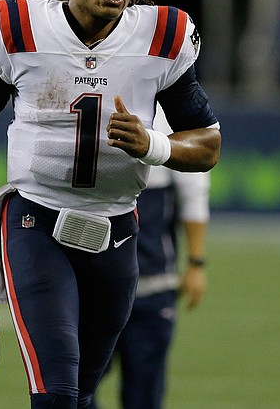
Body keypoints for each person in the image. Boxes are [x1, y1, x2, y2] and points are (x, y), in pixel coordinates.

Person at [0, 0, 221, 409]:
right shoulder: (18, 28)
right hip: (34, 221)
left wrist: (154, 145)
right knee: (57, 396)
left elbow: (207, 144)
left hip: (117, 231)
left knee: (81, 395)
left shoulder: (163, 36)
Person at [90, 104, 210, 409]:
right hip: (95, 285)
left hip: (152, 283)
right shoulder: (94, 103)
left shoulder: (168, 112)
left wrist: (196, 263)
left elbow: (194, 191)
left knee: (144, 393)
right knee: (74, 389)